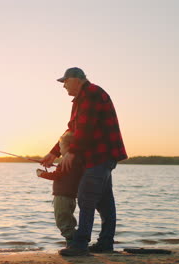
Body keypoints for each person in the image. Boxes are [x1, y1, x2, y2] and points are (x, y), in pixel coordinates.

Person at [40, 67, 127, 256]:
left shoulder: (92, 94)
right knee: (104, 202)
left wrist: (72, 151)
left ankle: (80, 245)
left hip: (101, 155)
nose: (63, 85)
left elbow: (86, 128)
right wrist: (53, 153)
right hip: (99, 156)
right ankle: (105, 244)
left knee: (86, 198)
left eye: (65, 81)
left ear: (76, 79)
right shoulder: (81, 99)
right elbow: (72, 129)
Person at [36, 131, 83, 247]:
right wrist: (57, 166)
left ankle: (74, 244)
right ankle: (75, 242)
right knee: (69, 221)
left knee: (62, 221)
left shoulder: (66, 162)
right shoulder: (76, 161)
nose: (60, 151)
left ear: (68, 147)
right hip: (71, 198)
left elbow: (56, 176)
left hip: (62, 197)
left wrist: (41, 174)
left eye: (61, 147)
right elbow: (64, 173)